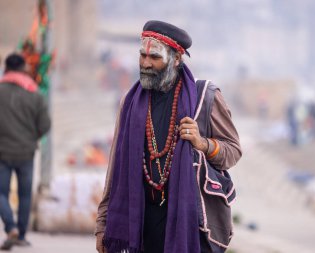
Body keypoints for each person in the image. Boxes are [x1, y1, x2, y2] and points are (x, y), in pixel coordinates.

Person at [95, 20, 242, 253]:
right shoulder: (130, 103)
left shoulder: (205, 98)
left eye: (155, 57)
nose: (145, 63)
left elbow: (233, 151)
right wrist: (102, 224)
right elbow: (115, 167)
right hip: (143, 220)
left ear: (176, 59)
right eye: (142, 55)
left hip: (190, 221)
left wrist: (202, 143)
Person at [0, 53, 51, 250]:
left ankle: (10, 226)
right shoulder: (35, 93)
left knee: (1, 192)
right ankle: (20, 234)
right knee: (24, 194)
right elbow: (45, 124)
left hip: (2, 152)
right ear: (22, 69)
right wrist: (32, 137)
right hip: (26, 152)